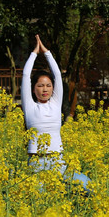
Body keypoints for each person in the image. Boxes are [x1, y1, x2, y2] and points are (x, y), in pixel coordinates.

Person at [22, 35, 89, 189]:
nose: (45, 89)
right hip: (36, 162)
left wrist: (46, 52)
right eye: (40, 86)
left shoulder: (56, 103)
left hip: (57, 161)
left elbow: (58, 75)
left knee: (87, 185)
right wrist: (34, 53)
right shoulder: (30, 106)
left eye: (48, 85)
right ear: (33, 89)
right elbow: (26, 75)